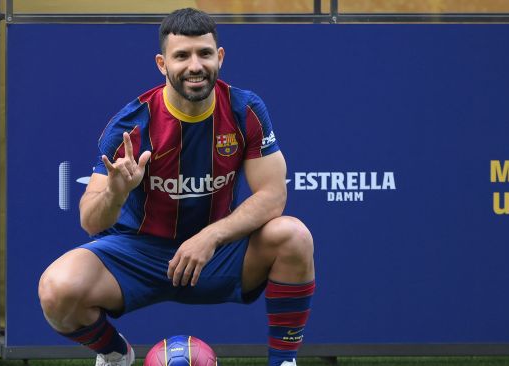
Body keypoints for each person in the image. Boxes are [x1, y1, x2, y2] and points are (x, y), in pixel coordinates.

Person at [38, 8, 315, 366]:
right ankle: (115, 354)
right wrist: (116, 192)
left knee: (294, 236)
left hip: (217, 252)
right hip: (139, 253)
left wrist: (210, 237)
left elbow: (273, 195)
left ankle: (284, 362)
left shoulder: (245, 109)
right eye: (181, 56)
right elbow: (91, 222)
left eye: (203, 53)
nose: (194, 66)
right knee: (56, 288)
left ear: (220, 57)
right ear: (161, 63)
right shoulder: (131, 125)